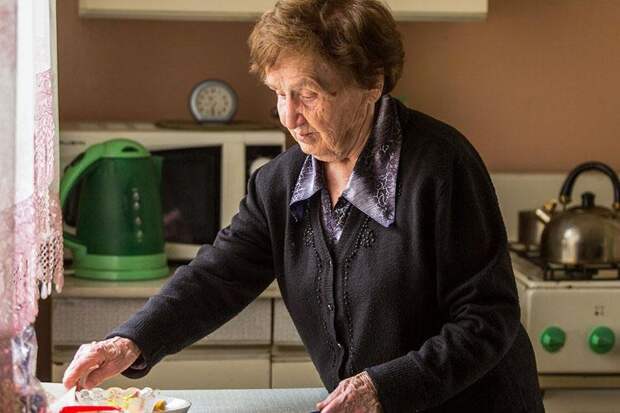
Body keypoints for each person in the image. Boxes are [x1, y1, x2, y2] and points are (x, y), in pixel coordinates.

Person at [63, 0, 544, 411]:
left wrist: (383, 388)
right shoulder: (281, 182)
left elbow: (487, 318)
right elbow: (218, 275)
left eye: (309, 95)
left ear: (372, 83)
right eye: (279, 93)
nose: (289, 117)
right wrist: (131, 340)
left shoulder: (441, 167)